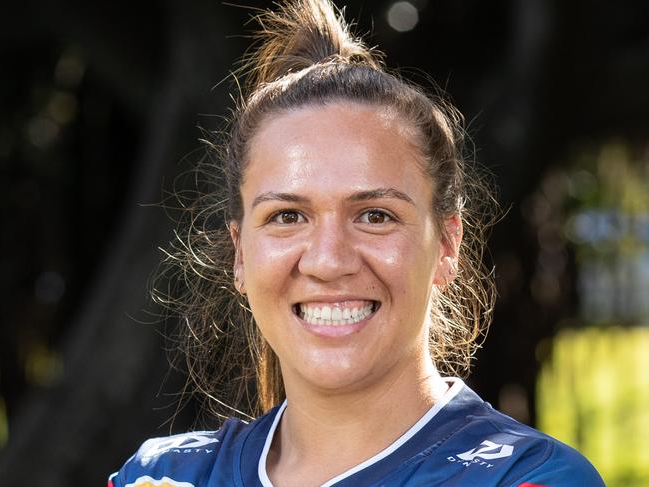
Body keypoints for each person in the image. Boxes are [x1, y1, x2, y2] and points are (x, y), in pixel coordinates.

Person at [109, 0, 604, 485]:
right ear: (240, 253)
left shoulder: (529, 477)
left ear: (447, 245)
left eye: (374, 215)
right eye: (287, 216)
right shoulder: (164, 476)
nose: (328, 261)